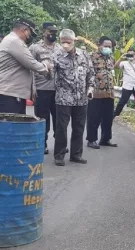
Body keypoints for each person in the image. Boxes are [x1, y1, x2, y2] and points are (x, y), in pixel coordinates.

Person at [52, 29, 95, 166]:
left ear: (74, 41)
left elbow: (91, 73)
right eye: (63, 42)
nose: (65, 45)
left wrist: (90, 89)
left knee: (79, 128)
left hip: (81, 99)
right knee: (61, 128)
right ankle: (59, 155)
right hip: (63, 98)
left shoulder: (84, 55)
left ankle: (76, 154)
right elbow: (49, 74)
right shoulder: (56, 55)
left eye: (68, 42)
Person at [0, 19, 50, 114]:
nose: (30, 37)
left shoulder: (10, 40)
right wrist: (46, 67)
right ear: (24, 30)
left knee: (15, 127)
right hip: (9, 95)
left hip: (12, 94)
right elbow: (31, 63)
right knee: (10, 127)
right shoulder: (14, 41)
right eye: (30, 33)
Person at [29, 22, 62, 155]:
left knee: (59, 120)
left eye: (54, 32)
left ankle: (60, 145)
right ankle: (42, 144)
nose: (52, 34)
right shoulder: (35, 48)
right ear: (44, 32)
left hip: (59, 90)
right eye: (50, 32)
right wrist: (32, 89)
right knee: (43, 119)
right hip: (42, 89)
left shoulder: (60, 48)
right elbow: (30, 68)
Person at [86, 36, 117, 149]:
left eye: (110, 46)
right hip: (95, 92)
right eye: (106, 46)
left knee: (108, 117)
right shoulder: (92, 57)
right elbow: (88, 73)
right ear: (99, 45)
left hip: (109, 92)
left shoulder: (110, 57)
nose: (108, 48)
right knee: (94, 117)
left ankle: (105, 139)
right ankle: (91, 139)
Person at [113, 48, 135, 121]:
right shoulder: (124, 63)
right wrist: (121, 58)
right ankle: (115, 114)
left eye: (132, 54)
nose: (130, 55)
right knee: (122, 101)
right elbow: (116, 66)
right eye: (129, 54)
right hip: (127, 86)